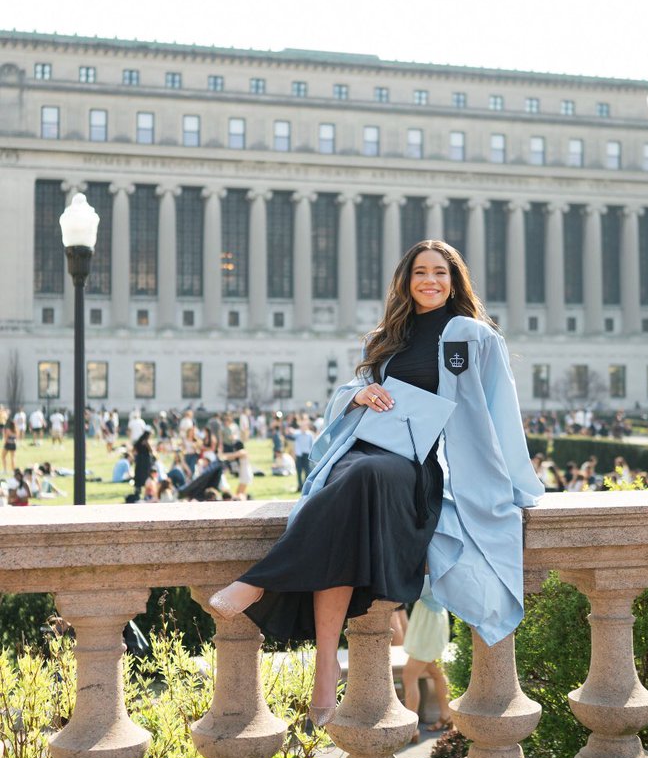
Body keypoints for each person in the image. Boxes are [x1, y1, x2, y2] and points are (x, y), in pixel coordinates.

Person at [209, 239, 544, 728]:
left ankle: (259, 582)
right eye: (420, 272)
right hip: (363, 453)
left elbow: (500, 413)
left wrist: (518, 485)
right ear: (406, 281)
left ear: (455, 282)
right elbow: (345, 396)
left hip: (412, 469)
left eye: (440, 273)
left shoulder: (474, 336)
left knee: (358, 483)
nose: (430, 281)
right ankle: (327, 668)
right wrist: (359, 392)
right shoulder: (387, 337)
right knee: (348, 496)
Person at [402, 577, 453, 742]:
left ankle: (412, 728)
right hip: (434, 617)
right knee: (435, 671)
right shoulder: (439, 558)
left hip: (429, 622)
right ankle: (447, 715)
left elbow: (410, 590)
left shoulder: (429, 562)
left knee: (409, 676)